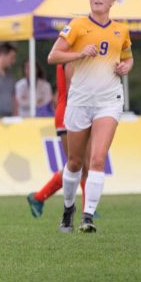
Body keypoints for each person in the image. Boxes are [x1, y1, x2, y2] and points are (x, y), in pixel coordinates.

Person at [47, 0, 133, 233]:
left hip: (109, 100)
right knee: (74, 163)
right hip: (80, 100)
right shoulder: (76, 26)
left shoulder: (122, 30)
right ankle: (68, 209)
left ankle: (88, 216)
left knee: (97, 158)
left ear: (112, 0)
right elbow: (53, 56)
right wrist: (79, 53)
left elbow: (128, 58)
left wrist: (126, 67)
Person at [25, 63, 90, 218]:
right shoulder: (69, 55)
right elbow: (72, 87)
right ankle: (40, 198)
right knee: (76, 164)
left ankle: (88, 211)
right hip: (69, 114)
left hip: (78, 112)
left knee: (82, 165)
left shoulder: (73, 52)